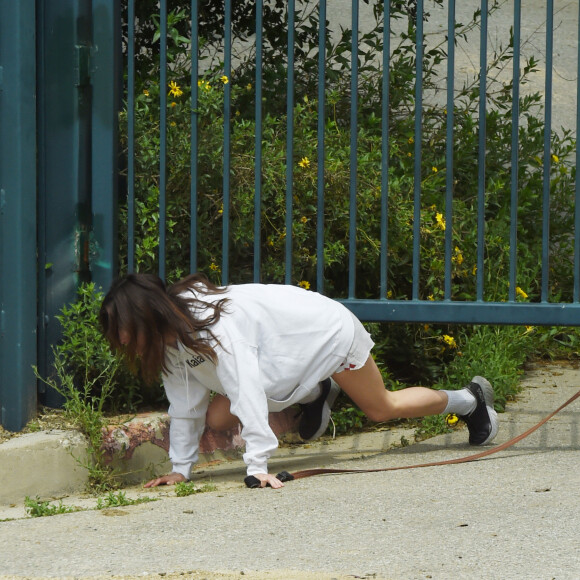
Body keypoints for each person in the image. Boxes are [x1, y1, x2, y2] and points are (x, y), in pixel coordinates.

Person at [99, 273, 499, 489]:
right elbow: (186, 405)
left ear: (148, 317)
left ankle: (470, 399)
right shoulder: (166, 343)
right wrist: (180, 470)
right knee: (218, 417)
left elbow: (248, 390)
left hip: (323, 333)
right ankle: (315, 393)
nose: (121, 342)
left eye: (125, 331)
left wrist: (257, 467)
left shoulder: (217, 326)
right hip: (280, 359)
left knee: (382, 408)